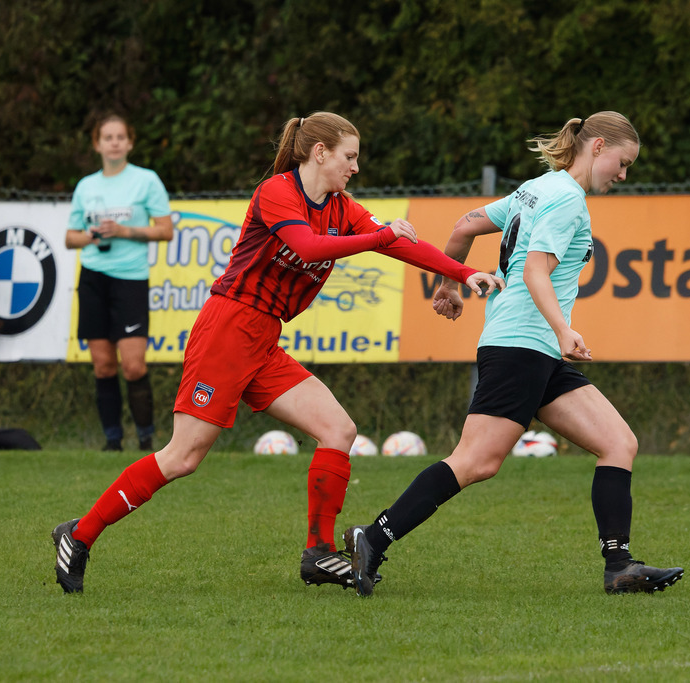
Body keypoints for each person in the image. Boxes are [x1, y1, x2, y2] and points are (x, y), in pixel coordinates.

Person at [51, 111, 504, 594]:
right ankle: (79, 535)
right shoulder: (276, 192)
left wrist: (462, 273)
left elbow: (402, 246)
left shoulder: (341, 207)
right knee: (182, 456)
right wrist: (381, 236)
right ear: (320, 152)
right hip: (228, 330)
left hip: (263, 337)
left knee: (338, 430)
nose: (355, 167)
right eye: (350, 157)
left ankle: (319, 553)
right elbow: (308, 247)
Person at [343, 112, 684, 596]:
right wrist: (564, 330)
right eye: (623, 163)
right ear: (597, 147)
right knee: (476, 461)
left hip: (535, 349)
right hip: (521, 345)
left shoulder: (536, 188)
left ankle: (620, 567)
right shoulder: (567, 199)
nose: (624, 175)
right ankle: (373, 538)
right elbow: (534, 273)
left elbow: (463, 227)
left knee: (618, 443)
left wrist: (449, 285)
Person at [65, 113, 174, 452]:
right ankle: (112, 442)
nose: (114, 143)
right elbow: (70, 237)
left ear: (130, 142)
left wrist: (125, 231)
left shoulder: (146, 180)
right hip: (93, 278)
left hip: (130, 279)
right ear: (96, 144)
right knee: (102, 365)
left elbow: (166, 230)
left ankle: (146, 440)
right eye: (107, 138)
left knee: (133, 365)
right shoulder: (86, 186)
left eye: (120, 137)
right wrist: (90, 236)